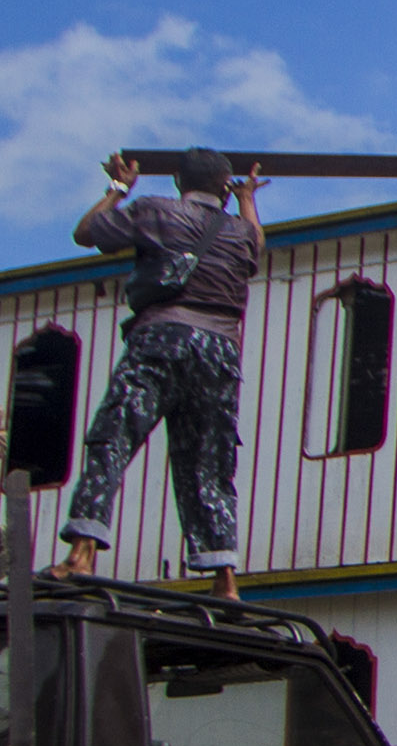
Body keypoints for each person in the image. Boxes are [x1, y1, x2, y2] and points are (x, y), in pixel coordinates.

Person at [59, 150, 264, 598]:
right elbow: (255, 246)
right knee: (210, 462)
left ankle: (82, 552)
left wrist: (118, 189)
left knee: (113, 434)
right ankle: (224, 579)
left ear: (177, 181)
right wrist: (246, 197)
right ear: (225, 184)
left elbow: (85, 234)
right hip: (220, 349)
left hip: (162, 337)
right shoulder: (238, 231)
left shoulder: (154, 210)